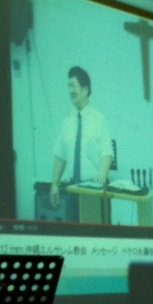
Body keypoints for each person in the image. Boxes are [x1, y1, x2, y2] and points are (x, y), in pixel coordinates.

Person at [50, 66, 114, 209]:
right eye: (69, 87)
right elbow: (60, 155)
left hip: (94, 189)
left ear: (85, 89)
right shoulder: (67, 122)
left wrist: (102, 175)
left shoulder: (98, 119)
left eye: (74, 86)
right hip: (72, 189)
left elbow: (107, 153)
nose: (71, 91)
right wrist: (54, 184)